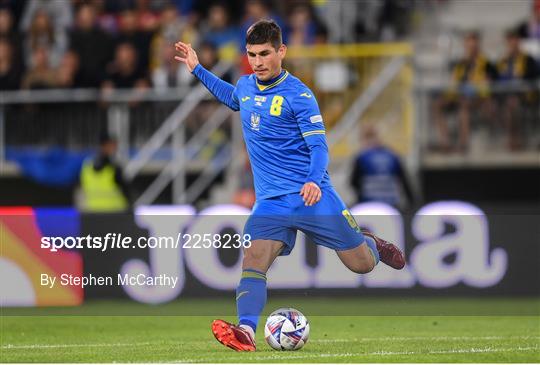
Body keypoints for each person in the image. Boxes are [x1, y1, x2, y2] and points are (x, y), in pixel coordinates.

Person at [174, 19, 405, 352]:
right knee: (253, 259)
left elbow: (319, 147)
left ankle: (371, 244)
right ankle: (246, 332)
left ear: (281, 51)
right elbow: (232, 96)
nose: (258, 62)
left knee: (361, 265)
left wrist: (313, 179)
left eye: (265, 54)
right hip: (271, 203)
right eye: (252, 55)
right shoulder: (246, 85)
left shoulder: (300, 95)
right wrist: (198, 69)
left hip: (312, 197)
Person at [350, 125, 414, 209]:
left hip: (369, 204)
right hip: (391, 204)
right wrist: (412, 203)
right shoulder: (393, 155)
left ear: (364, 139)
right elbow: (404, 181)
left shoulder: (362, 157)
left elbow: (353, 182)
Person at [79, 132, 130, 212]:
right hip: (114, 213)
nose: (115, 148)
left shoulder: (86, 166)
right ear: (106, 145)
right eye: (113, 145)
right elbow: (126, 193)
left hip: (92, 212)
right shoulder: (114, 168)